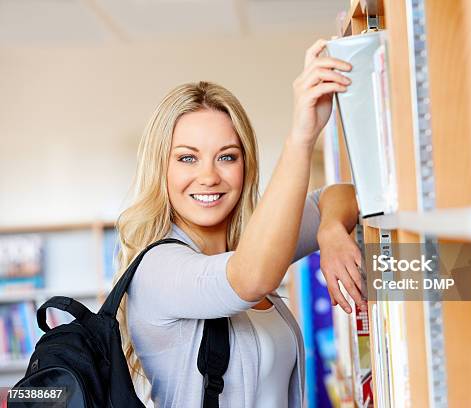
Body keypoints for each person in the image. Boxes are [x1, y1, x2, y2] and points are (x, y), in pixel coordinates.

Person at [112, 39, 366, 408]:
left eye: (226, 157)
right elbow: (250, 279)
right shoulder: (157, 269)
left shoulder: (251, 244)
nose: (208, 176)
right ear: (160, 168)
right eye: (187, 159)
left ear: (245, 166)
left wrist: (329, 231)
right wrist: (301, 136)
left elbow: (342, 195)